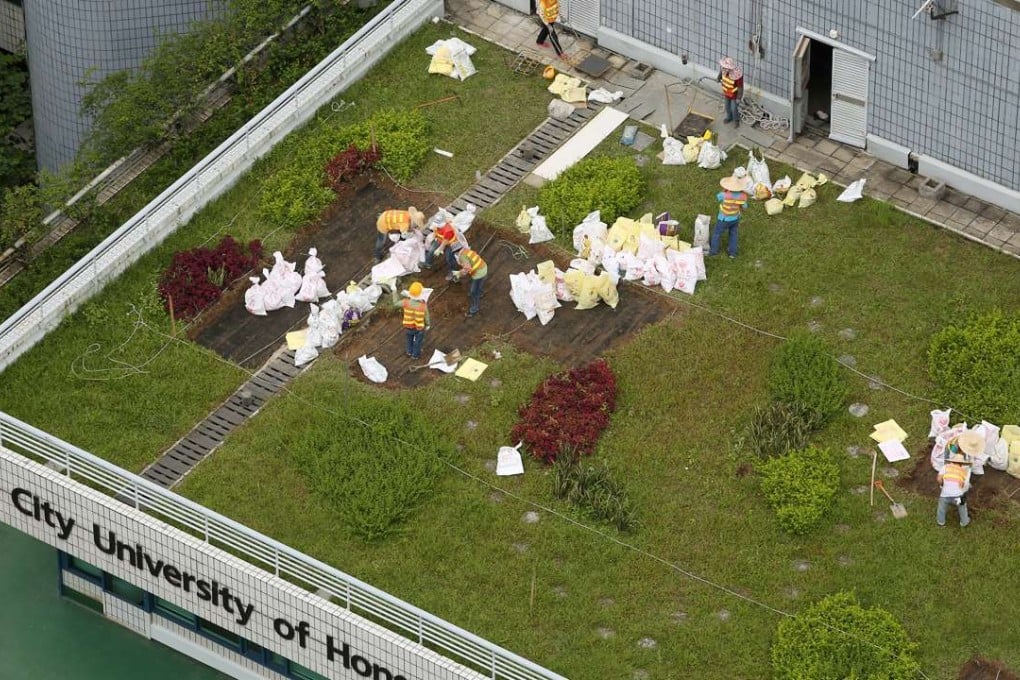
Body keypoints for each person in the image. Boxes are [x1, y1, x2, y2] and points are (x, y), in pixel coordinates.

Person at [936, 437, 975, 527]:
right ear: (962, 464)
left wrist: (942, 484)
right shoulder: (962, 471)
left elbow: (939, 479)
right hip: (958, 495)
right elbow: (963, 484)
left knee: (941, 508)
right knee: (962, 507)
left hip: (945, 494)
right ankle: (964, 522)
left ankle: (941, 523)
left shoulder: (945, 467)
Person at [709, 175, 749, 259]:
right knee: (733, 234)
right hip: (735, 218)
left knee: (717, 233)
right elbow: (745, 207)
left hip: (723, 218)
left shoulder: (724, 195)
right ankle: (732, 253)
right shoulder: (743, 196)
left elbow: (717, 197)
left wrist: (725, 191)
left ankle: (713, 252)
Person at [400, 281, 430, 359]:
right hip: (419, 328)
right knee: (417, 342)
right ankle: (415, 355)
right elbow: (426, 317)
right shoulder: (423, 305)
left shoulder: (405, 302)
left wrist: (393, 291)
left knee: (409, 339)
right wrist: (428, 324)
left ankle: (409, 351)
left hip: (408, 326)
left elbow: (395, 303)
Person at [455, 248, 487, 317]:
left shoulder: (462, 257)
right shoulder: (466, 251)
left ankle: (474, 308)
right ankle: (480, 293)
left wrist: (459, 273)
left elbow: (468, 268)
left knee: (473, 292)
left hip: (479, 273)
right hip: (483, 267)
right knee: (479, 285)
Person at [717, 57, 744, 127]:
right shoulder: (723, 70)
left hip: (734, 95)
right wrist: (718, 78)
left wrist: (739, 98)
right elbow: (721, 74)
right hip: (726, 93)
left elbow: (740, 88)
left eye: (726, 67)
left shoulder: (737, 75)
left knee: (734, 108)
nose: (724, 68)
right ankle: (729, 117)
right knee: (727, 106)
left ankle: (736, 120)